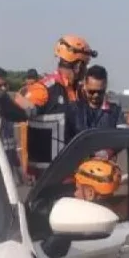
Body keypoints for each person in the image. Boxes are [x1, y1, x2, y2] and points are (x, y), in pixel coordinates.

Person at [19, 35, 97, 175]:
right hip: (47, 176)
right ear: (78, 66)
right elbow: (18, 112)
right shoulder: (43, 90)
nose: (85, 70)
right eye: (85, 65)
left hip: (71, 173)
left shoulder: (78, 92)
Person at [66, 65, 121, 159]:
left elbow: (123, 137)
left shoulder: (115, 111)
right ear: (85, 85)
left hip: (105, 165)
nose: (96, 95)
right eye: (92, 92)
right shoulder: (73, 110)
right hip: (77, 165)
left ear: (105, 86)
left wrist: (108, 152)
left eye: (100, 92)